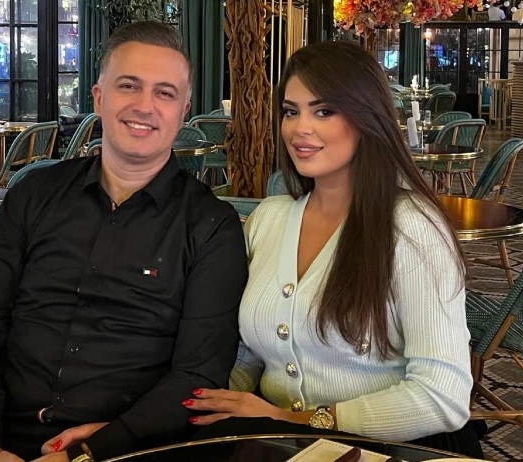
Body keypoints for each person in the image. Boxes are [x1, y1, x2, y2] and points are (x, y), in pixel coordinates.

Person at [0, 21, 248, 462]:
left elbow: (198, 376)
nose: (145, 105)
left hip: (126, 447)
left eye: (164, 93)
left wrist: (99, 447)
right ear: (99, 97)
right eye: (128, 86)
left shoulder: (211, 226)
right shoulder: (33, 195)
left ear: (183, 110)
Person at [183, 40, 483, 458]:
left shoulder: (411, 228)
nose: (300, 129)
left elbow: (443, 396)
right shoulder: (269, 219)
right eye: (291, 111)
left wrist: (291, 419)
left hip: (398, 448)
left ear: (366, 117)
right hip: (279, 444)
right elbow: (249, 354)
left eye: (323, 111)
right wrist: (196, 407)